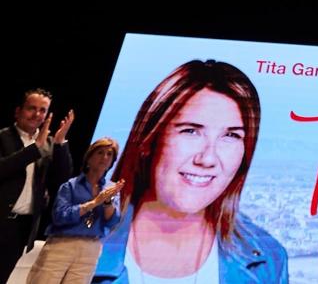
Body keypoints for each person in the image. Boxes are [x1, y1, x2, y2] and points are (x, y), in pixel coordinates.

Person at [92, 60, 287, 284]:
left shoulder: (268, 260)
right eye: (191, 131)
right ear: (149, 140)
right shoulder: (83, 233)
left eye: (231, 136)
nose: (208, 158)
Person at [26, 138, 124, 284]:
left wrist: (107, 201)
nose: (105, 157)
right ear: (89, 158)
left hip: (91, 247)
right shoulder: (70, 186)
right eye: (100, 153)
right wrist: (94, 203)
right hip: (63, 243)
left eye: (109, 154)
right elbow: (60, 216)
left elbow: (112, 222)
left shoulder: (111, 189)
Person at [1, 89, 74, 284]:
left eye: (43, 110)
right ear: (18, 111)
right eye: (31, 108)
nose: (37, 114)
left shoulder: (48, 144)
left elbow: (61, 181)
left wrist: (59, 144)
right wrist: (34, 149)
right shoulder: (3, 137)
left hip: (20, 228)